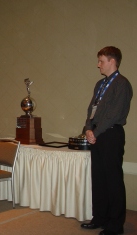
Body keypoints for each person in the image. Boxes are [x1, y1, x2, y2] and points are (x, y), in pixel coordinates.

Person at [81, 46, 133, 235]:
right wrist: (88, 128)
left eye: (101, 61)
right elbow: (91, 109)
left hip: (111, 135)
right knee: (99, 179)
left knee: (113, 180)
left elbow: (114, 114)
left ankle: (115, 225)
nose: (98, 65)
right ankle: (100, 218)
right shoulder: (99, 84)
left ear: (112, 61)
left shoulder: (122, 84)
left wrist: (96, 131)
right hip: (96, 134)